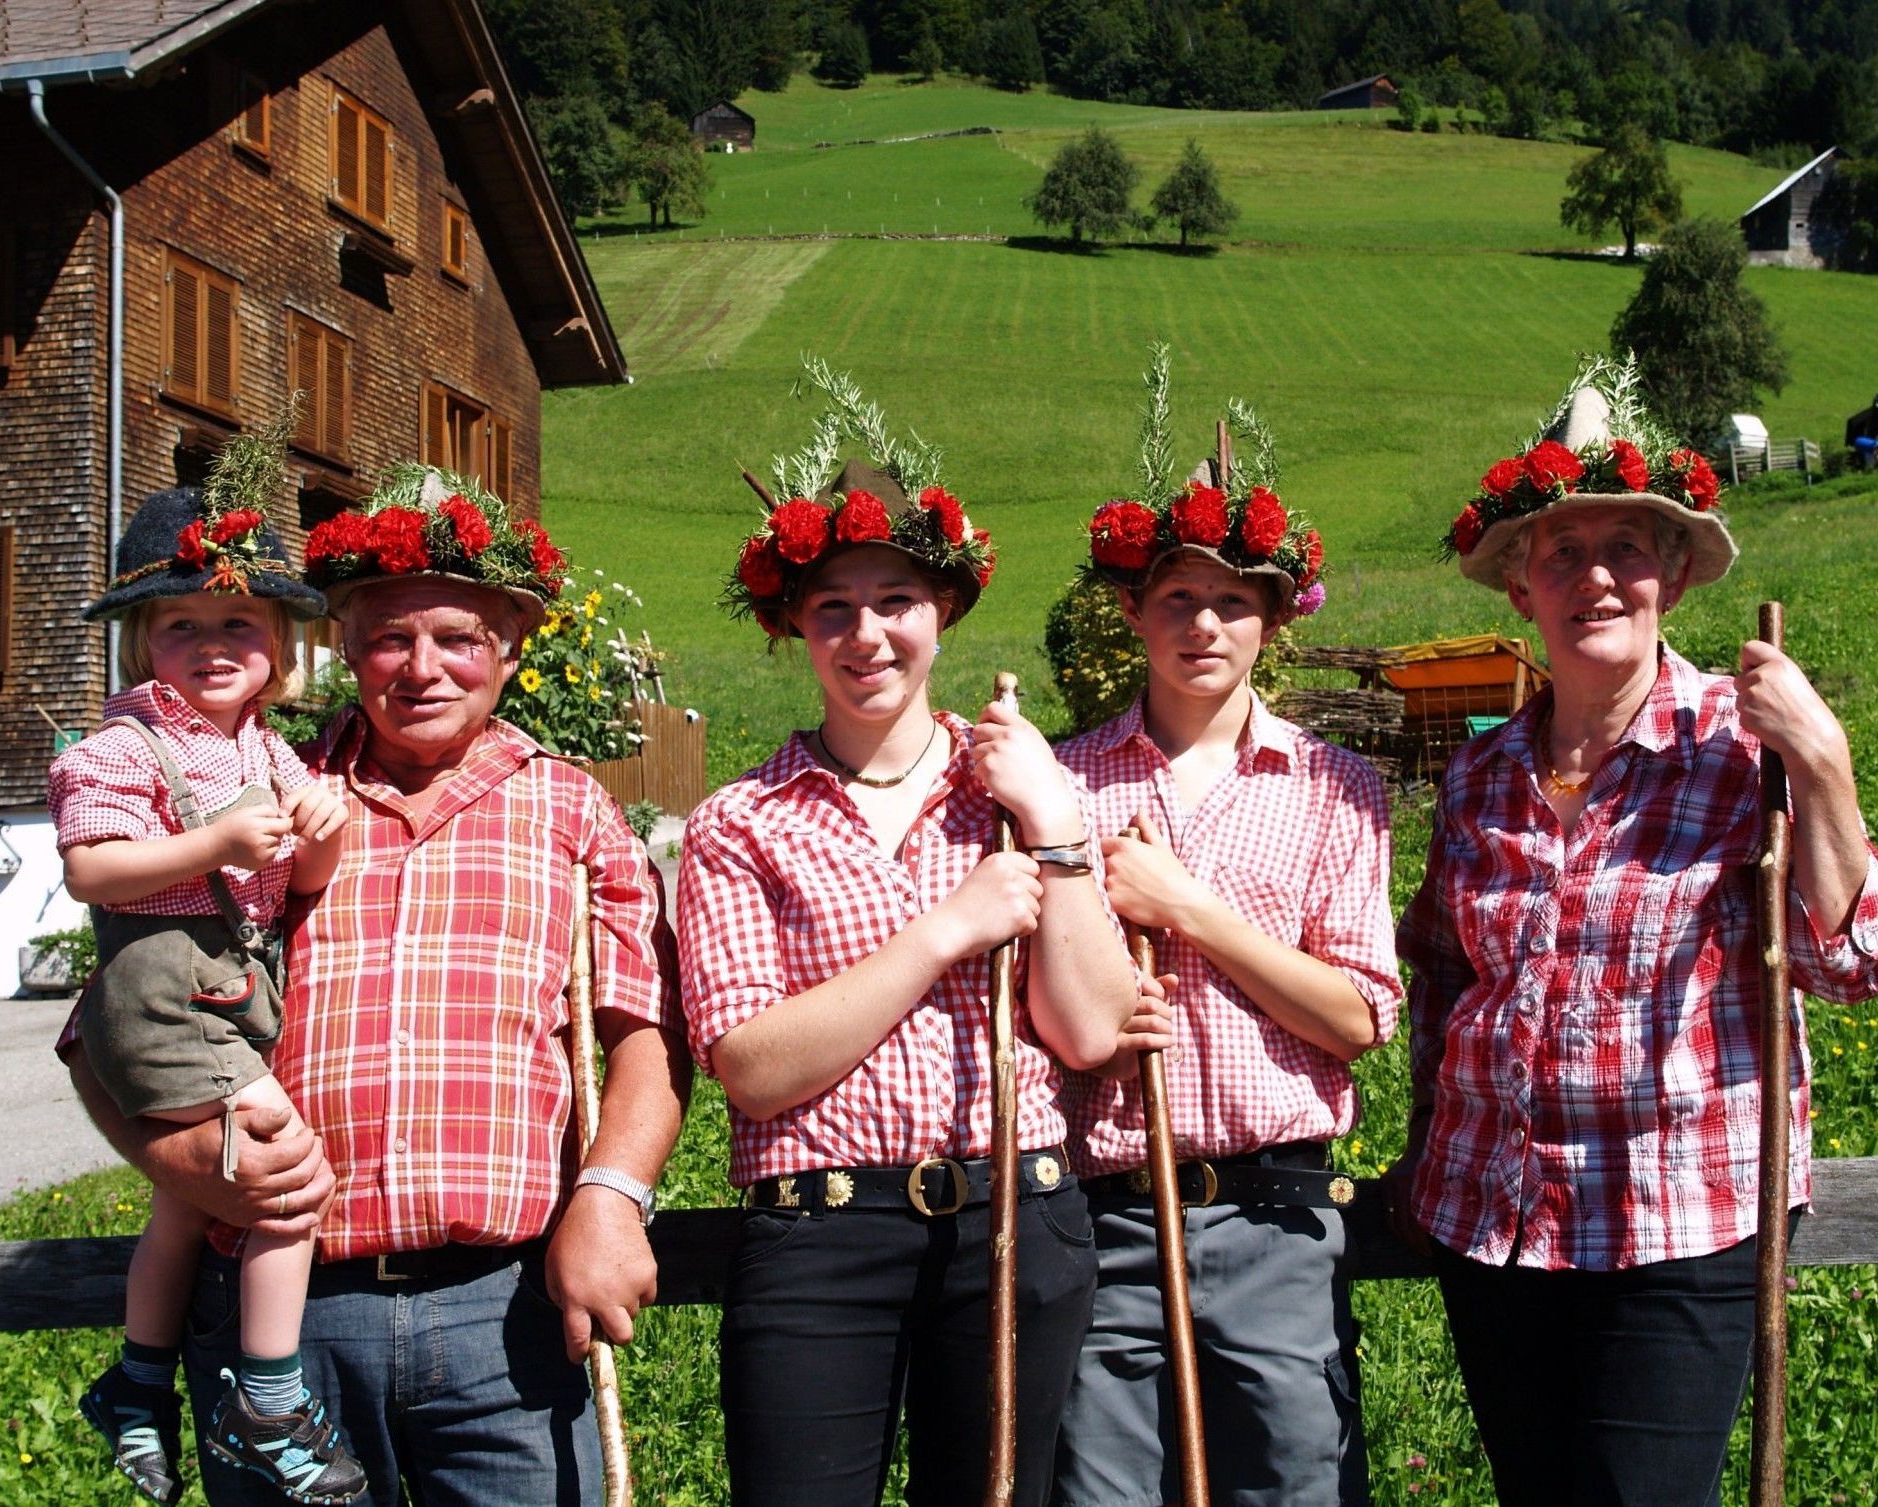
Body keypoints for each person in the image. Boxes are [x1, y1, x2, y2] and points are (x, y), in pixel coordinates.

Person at [63, 466, 690, 1507]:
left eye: (457, 638)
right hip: (282, 1314)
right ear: (344, 650)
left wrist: (612, 1195)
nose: (422, 667)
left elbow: (644, 1038)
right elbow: (106, 1023)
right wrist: (177, 1160)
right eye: (390, 639)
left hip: (503, 1316)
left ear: (509, 650)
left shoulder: (575, 813)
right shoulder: (265, 799)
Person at [1387, 358, 1878, 1507]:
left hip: (1675, 1221)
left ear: (1668, 574)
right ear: (1519, 585)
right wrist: (1418, 1143)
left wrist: (1825, 765)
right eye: (1560, 551)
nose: (1594, 577)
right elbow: (1443, 972)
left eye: (1625, 550)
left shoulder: (1738, 748)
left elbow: (1849, 963)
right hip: (1491, 1224)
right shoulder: (1478, 775)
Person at [677, 366, 1139, 1507]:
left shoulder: (1018, 795)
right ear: (792, 626)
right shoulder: (742, 820)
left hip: (1012, 1219)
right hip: (816, 1237)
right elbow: (750, 1068)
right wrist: (948, 929)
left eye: (896, 602)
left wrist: (1057, 822)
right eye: (832, 607)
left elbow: (1086, 1032)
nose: (866, 633)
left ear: (943, 615)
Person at [1050, 371, 1400, 1507]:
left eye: (1232, 601)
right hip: (1103, 1212)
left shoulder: (1334, 787)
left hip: (1272, 1216)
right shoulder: (1059, 786)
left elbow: (1355, 1018)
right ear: (1129, 610)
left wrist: (1188, 910)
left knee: (1293, 1483)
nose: (1202, 624)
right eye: (1174, 597)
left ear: (1275, 616)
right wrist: (1092, 1025)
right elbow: (1020, 1005)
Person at [53, 433, 365, 1506]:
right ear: (145, 646)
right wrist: (214, 844)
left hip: (227, 988)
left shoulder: (272, 753)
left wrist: (319, 827)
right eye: (181, 625)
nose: (212, 642)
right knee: (290, 1182)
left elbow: (302, 876)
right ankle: (268, 1396)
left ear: (279, 647)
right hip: (158, 985)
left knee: (185, 1205)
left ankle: (139, 1382)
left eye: (239, 622)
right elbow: (93, 872)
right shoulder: (122, 746)